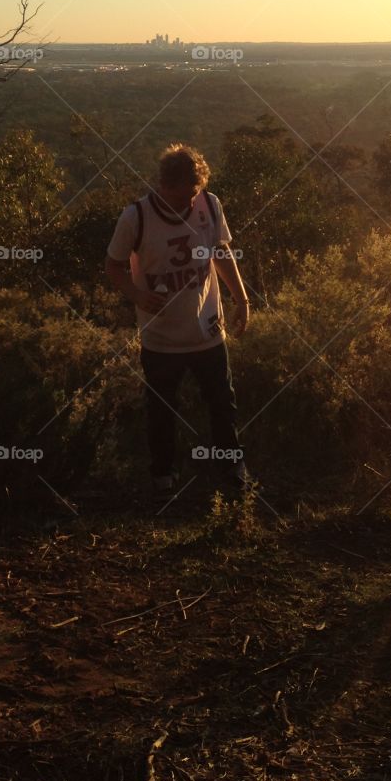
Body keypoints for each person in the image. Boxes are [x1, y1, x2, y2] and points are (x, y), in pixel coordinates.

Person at [104, 143, 254, 508]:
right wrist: (137, 295)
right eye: (182, 196)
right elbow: (113, 266)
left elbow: (220, 252)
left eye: (194, 194)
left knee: (222, 403)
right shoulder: (136, 217)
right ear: (164, 185)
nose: (189, 203)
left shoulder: (210, 205)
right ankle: (163, 476)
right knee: (161, 410)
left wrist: (241, 299)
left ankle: (232, 469)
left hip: (207, 329)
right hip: (160, 338)